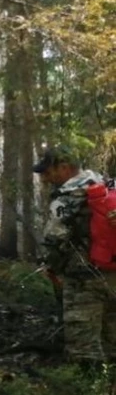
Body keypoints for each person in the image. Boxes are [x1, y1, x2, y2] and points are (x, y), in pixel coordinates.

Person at [34, 147, 116, 363]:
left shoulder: (68, 197)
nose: (45, 177)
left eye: (48, 172)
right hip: (113, 270)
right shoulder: (105, 185)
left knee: (83, 346)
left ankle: (87, 394)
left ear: (64, 167)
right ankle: (109, 390)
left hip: (83, 279)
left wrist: (49, 265)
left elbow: (55, 237)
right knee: (112, 337)